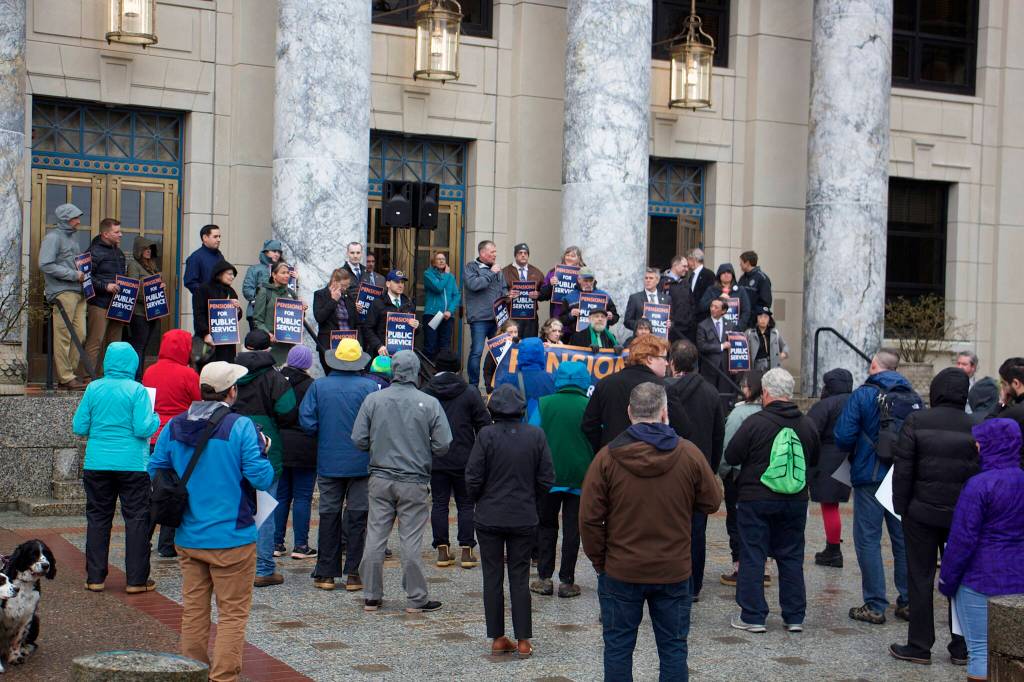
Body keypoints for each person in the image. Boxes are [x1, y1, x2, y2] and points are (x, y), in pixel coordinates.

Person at [581, 382, 721, 681]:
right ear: (664, 413)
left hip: (621, 568)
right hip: (672, 569)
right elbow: (711, 501)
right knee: (673, 649)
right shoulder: (689, 454)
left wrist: (600, 561)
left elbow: (590, 519)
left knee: (618, 649)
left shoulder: (606, 458)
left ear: (629, 413)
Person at [149, 361, 274, 682]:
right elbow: (262, 478)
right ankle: (223, 678)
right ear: (231, 391)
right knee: (232, 615)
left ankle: (192, 674)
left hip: (189, 535)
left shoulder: (175, 425)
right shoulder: (241, 426)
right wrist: (265, 450)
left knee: (194, 611)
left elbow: (156, 469)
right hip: (233, 537)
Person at [889, 368, 977, 666]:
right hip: (962, 516)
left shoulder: (917, 420)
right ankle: (961, 646)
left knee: (920, 577)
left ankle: (920, 645)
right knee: (961, 579)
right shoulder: (975, 425)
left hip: (921, 513)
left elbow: (903, 469)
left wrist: (901, 506)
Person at [353, 350, 453, 612]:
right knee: (410, 540)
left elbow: (358, 439)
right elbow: (443, 444)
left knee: (375, 536)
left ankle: (371, 595)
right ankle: (416, 598)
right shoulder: (429, 402)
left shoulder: (373, 400)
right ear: (416, 371)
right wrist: (422, 448)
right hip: (414, 479)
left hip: (380, 476)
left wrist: (378, 447)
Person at [724, 368, 821, 633]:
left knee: (753, 553)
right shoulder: (807, 424)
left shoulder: (755, 422)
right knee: (791, 556)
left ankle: (753, 616)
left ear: (765, 393)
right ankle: (794, 616)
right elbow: (814, 459)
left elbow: (732, 455)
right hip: (795, 499)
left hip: (756, 498)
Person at [466, 384, 554, 657]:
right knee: (519, 576)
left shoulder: (486, 435)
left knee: (492, 577)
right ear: (521, 409)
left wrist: (481, 498)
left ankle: (497, 637)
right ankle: (524, 640)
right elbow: (546, 478)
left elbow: (472, 477)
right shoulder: (535, 436)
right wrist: (531, 498)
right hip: (523, 515)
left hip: (490, 515)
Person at [834, 348, 918, 624]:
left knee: (868, 539)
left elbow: (843, 435)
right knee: (903, 539)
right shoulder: (914, 397)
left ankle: (875, 604)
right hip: (903, 476)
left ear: (873, 365)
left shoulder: (864, 394)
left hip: (870, 474)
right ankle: (907, 601)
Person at [939, 418, 1024, 682]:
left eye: (980, 442)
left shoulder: (978, 485)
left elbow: (962, 539)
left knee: (979, 650)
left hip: (979, 577)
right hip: (1019, 576)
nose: (976, 446)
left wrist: (947, 581)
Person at [72, 341, 160, 594]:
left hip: (97, 462)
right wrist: (155, 418)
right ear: (132, 363)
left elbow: (79, 426)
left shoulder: (93, 388)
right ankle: (136, 580)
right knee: (136, 520)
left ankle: (95, 578)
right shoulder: (138, 390)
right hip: (132, 463)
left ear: (107, 362)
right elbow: (143, 428)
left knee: (98, 518)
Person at [300, 338, 380, 591]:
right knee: (358, 515)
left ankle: (325, 572)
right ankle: (354, 573)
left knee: (328, 514)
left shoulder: (318, 386)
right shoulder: (370, 387)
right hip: (361, 461)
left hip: (329, 459)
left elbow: (307, 422)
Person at [233, 329, 299, 587]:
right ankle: (263, 568)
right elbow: (288, 412)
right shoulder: (276, 378)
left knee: (234, 506)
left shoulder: (233, 374)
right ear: (268, 350)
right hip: (267, 446)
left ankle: (235, 565)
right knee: (265, 509)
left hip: (233, 440)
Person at [665, 339, 724, 601]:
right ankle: (693, 585)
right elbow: (718, 436)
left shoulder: (663, 390)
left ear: (673, 363)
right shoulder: (711, 393)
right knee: (696, 531)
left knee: (667, 528)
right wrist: (710, 469)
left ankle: (669, 579)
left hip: (667, 469)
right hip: (700, 470)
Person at [529, 361, 593, 599]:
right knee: (572, 530)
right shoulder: (589, 406)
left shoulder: (544, 404)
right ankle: (567, 581)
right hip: (580, 478)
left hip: (548, 478)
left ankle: (544, 578)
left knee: (546, 526)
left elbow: (532, 434)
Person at [423, 349, 491, 569]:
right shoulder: (470, 392)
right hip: (465, 456)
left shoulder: (427, 391)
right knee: (465, 504)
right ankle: (467, 550)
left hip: (436, 456)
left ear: (436, 367)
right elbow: (483, 423)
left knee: (440, 503)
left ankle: (442, 550)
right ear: (458, 368)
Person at [142, 329, 201, 559]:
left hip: (153, 436)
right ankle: (167, 544)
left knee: (153, 491)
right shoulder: (188, 374)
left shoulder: (150, 371)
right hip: (178, 437)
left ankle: (143, 537)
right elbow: (198, 404)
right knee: (174, 491)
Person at [582, 335, 669, 451]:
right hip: (653, 458)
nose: (667, 363)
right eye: (664, 357)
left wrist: (605, 446)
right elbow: (683, 428)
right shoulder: (664, 387)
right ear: (649, 359)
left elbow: (589, 425)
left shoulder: (605, 383)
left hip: (613, 455)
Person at [719, 370, 764, 586]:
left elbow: (727, 449)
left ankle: (739, 566)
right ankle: (763, 566)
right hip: (766, 477)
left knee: (736, 522)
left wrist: (724, 472)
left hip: (739, 476)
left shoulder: (738, 415)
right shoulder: (769, 412)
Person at [273, 345, 318, 561]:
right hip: (305, 445)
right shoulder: (311, 385)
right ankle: (300, 545)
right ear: (307, 364)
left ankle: (276, 542)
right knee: (302, 497)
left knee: (281, 496)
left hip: (280, 443)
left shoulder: (276, 380)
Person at [806, 368, 853, 568]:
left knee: (829, 505)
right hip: (852, 458)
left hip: (827, 459)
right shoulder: (855, 402)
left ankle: (833, 551)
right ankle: (832, 548)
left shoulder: (825, 405)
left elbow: (809, 431)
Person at [39, 203, 89, 389]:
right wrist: (73, 275)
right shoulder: (53, 238)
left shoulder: (73, 238)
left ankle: (70, 374)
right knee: (64, 336)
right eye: (75, 217)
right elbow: (45, 264)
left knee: (80, 334)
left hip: (78, 292)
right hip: (62, 292)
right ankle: (66, 377)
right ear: (66, 219)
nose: (78, 221)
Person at [82, 218, 127, 377]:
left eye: (120, 231)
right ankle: (89, 377)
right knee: (95, 342)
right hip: (99, 304)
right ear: (105, 234)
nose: (120, 235)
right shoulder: (93, 252)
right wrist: (105, 286)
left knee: (115, 344)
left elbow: (123, 276)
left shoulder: (119, 252)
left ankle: (110, 376)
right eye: (117, 232)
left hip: (118, 305)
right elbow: (86, 277)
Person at [463, 240, 508, 388]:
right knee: (477, 352)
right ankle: (473, 386)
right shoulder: (471, 267)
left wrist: (508, 295)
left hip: (496, 319)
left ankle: (494, 383)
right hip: (479, 319)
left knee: (499, 352)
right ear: (482, 253)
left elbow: (502, 289)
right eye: (492, 252)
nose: (495, 254)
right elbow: (474, 285)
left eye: (495, 251)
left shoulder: (497, 270)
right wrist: (491, 273)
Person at [192, 260, 242, 366]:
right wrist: (205, 333)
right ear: (219, 274)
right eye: (229, 274)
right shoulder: (203, 289)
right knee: (209, 370)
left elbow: (235, 318)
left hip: (227, 341)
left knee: (226, 371)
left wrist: (237, 309)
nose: (232, 277)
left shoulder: (231, 291)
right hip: (208, 340)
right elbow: (198, 314)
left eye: (233, 274)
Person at [495, 336, 558, 421]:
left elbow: (498, 405)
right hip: (544, 427)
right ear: (541, 353)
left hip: (516, 429)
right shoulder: (553, 379)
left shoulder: (508, 379)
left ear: (520, 353)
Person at [252, 261, 302, 366]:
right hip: (270, 345)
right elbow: (257, 320)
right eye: (283, 273)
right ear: (274, 275)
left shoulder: (291, 294)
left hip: (287, 345)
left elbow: (297, 319)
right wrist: (268, 334)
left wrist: (302, 309)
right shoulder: (264, 292)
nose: (287, 275)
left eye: (288, 273)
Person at [125, 236, 160, 380]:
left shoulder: (152, 267)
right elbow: (133, 286)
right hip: (139, 312)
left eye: (150, 249)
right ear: (139, 250)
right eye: (145, 249)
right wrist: (150, 288)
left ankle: (140, 376)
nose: (148, 251)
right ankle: (136, 376)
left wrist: (159, 287)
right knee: (138, 345)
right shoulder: (134, 265)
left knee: (145, 345)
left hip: (152, 312)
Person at [362, 269, 419, 357]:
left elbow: (414, 332)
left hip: (403, 355)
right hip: (383, 354)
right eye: (397, 282)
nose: (400, 285)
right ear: (388, 284)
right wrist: (378, 346)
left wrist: (417, 326)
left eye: (402, 282)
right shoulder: (378, 303)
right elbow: (367, 328)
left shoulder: (408, 303)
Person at [313, 268, 359, 373]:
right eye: (343, 285)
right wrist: (333, 300)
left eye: (348, 285)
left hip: (348, 345)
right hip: (329, 346)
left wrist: (356, 309)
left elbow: (354, 322)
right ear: (334, 282)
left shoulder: (348, 296)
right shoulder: (320, 295)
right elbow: (319, 317)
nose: (346, 288)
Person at [501, 243, 545, 339]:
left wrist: (539, 294)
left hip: (530, 318)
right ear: (515, 255)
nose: (523, 255)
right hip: (512, 317)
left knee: (529, 344)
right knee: (513, 345)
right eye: (520, 253)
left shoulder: (536, 272)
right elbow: (497, 292)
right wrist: (508, 295)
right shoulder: (504, 272)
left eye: (525, 253)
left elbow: (545, 292)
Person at [423, 252, 461, 360]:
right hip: (432, 314)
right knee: (430, 346)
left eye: (443, 259)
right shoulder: (428, 274)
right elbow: (438, 287)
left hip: (447, 316)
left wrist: (450, 310)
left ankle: (442, 374)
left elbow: (456, 295)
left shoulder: (450, 277)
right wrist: (447, 275)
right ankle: (428, 375)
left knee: (445, 347)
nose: (441, 261)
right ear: (433, 262)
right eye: (438, 259)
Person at [242, 239, 282, 331]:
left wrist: (293, 279)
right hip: (256, 313)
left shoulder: (283, 271)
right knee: (259, 343)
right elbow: (247, 289)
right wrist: (261, 299)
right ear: (266, 252)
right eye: (274, 251)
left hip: (277, 315)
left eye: (279, 252)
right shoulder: (254, 269)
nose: (277, 254)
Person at [699, 263, 751, 331]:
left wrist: (739, 327)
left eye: (729, 272)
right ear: (719, 275)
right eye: (723, 272)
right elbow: (702, 306)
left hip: (736, 329)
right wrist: (717, 299)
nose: (726, 274)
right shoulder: (711, 290)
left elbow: (746, 311)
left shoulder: (740, 290)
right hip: (715, 331)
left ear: (732, 275)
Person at [990, 357, 1024, 459]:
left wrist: (1001, 403)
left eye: (1005, 384)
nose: (1004, 389)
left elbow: (987, 430)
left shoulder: (1015, 412)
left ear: (1016, 383)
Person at [696, 299, 732, 393]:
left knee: (724, 396)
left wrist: (735, 365)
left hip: (725, 367)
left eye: (716, 307)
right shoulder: (703, 325)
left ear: (723, 311)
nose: (712, 309)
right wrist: (721, 346)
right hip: (709, 367)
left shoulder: (730, 325)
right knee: (709, 395)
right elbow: (701, 346)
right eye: (711, 306)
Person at [540, 245, 584, 320]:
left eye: (573, 256)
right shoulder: (554, 272)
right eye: (567, 255)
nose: (569, 257)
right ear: (564, 257)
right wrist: (550, 285)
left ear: (579, 259)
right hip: (557, 315)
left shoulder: (585, 273)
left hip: (577, 317)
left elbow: (592, 292)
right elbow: (542, 295)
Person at [660, 256, 696, 344]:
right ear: (675, 265)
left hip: (687, 329)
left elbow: (692, 303)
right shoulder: (663, 282)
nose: (687, 269)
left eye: (687, 266)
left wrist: (690, 320)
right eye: (684, 266)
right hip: (671, 329)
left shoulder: (685, 283)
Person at [625, 267, 671, 333]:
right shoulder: (635, 298)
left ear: (657, 281)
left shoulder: (667, 299)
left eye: (651, 278)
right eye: (646, 278)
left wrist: (670, 324)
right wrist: (640, 324)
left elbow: (672, 320)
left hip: (659, 339)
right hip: (641, 339)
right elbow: (627, 321)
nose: (648, 280)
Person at [955, 350, 998, 419]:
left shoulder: (981, 386)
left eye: (964, 364)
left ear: (973, 367)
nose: (960, 367)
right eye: (958, 363)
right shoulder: (951, 384)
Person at [183, 224, 223, 297]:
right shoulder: (195, 257)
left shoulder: (219, 255)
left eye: (219, 236)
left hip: (220, 303)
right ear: (205, 238)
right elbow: (190, 282)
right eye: (215, 237)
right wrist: (207, 292)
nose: (219, 240)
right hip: (203, 304)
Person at [746, 306, 788, 371]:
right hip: (756, 367)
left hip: (772, 366)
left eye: (766, 317)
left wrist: (784, 353)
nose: (763, 319)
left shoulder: (775, 333)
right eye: (760, 317)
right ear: (756, 318)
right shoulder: (750, 333)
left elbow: (785, 346)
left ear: (769, 319)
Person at [484, 319, 519, 394]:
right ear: (503, 333)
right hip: (498, 387)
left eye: (515, 332)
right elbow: (487, 369)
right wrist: (488, 385)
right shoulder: (495, 347)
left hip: (517, 387)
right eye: (510, 332)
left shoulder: (521, 346)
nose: (513, 335)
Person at [737, 250, 773, 316]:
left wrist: (753, 314)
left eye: (741, 262)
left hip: (754, 319)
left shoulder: (762, 278)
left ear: (747, 263)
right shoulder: (742, 278)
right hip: (742, 318)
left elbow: (765, 302)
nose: (740, 264)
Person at [686, 248, 715, 319]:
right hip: (692, 318)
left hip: (704, 317)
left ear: (694, 260)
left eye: (688, 260)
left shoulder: (709, 274)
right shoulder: (691, 276)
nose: (687, 263)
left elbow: (710, 297)